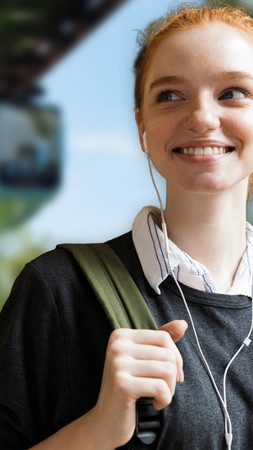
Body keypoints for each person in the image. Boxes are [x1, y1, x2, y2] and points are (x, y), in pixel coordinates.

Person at [1, 1, 253, 449]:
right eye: (170, 95)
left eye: (233, 92)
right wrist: (96, 430)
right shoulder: (58, 290)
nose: (201, 118)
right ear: (142, 126)